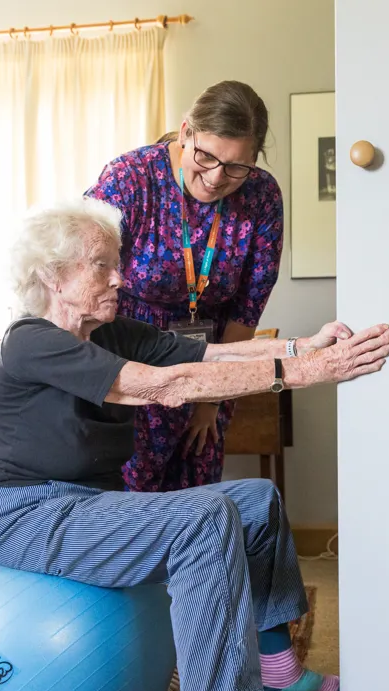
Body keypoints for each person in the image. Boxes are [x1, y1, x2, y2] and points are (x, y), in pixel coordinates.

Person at [0, 198, 389, 691]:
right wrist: (309, 374)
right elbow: (166, 386)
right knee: (204, 519)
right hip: (26, 514)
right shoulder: (32, 342)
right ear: (51, 276)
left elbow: (203, 355)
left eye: (118, 262)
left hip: (87, 503)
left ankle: (278, 666)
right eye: (101, 265)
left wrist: (303, 346)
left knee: (255, 498)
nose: (121, 277)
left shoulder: (107, 331)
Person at [84, 80, 283, 493]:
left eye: (236, 166)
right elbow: (74, 266)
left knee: (196, 494)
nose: (215, 177)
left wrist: (210, 398)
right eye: (205, 156)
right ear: (186, 131)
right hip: (125, 357)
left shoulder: (262, 196)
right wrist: (28, 338)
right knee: (129, 500)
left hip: (211, 358)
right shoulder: (130, 179)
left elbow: (248, 307)